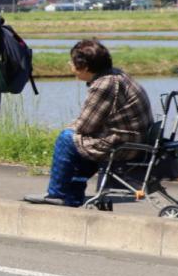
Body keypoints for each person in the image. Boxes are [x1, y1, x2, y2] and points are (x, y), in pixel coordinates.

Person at [25, 39, 153, 206]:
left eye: (72, 62)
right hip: (133, 140)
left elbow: (85, 126)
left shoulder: (104, 85)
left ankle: (57, 194)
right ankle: (71, 197)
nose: (69, 64)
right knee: (77, 141)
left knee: (66, 138)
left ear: (84, 67)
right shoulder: (116, 75)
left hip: (124, 145)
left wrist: (69, 130)